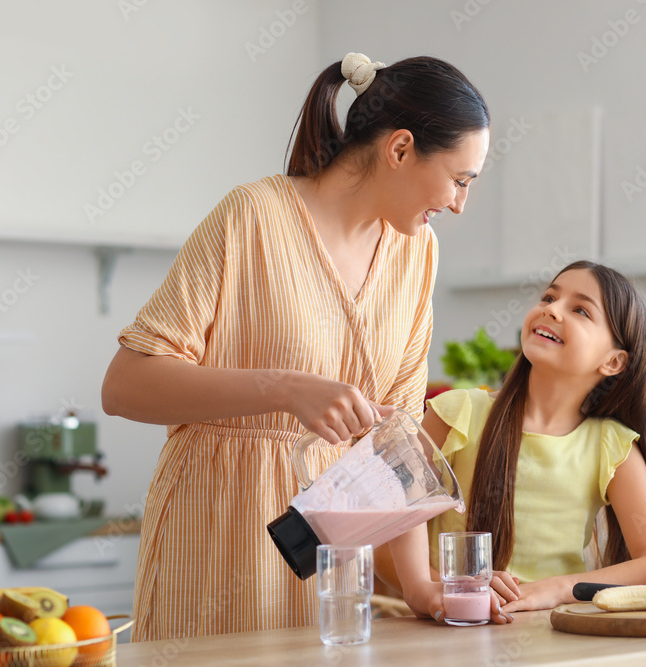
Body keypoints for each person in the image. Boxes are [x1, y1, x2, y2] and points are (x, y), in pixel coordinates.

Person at [101, 52, 490, 639]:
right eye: (459, 180)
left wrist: (418, 584)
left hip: (329, 555)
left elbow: (400, 437)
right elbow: (125, 385)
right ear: (401, 148)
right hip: (214, 532)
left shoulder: (418, 253)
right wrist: (281, 388)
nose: (460, 203)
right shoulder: (251, 216)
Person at [388, 260, 646, 617]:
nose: (551, 310)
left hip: (551, 635)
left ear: (614, 362)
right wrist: (444, 590)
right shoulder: (456, 414)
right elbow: (386, 531)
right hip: (446, 632)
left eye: (580, 309)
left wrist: (555, 590)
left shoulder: (612, 447)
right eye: (548, 297)